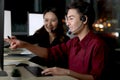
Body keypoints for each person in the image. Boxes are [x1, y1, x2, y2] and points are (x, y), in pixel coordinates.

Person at [5, 1, 108, 80]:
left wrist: (67, 72)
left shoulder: (97, 44)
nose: (67, 23)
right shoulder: (73, 42)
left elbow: (96, 77)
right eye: (67, 19)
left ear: (84, 19)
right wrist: (24, 44)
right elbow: (50, 53)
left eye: (71, 18)